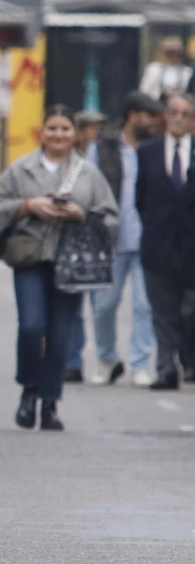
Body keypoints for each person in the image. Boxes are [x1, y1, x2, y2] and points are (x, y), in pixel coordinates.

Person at [0, 106, 119, 431]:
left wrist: (81, 214)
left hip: (72, 262)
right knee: (32, 326)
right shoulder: (21, 169)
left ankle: (50, 403)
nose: (58, 135)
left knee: (60, 335)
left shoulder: (88, 173)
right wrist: (28, 206)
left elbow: (112, 218)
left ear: (75, 134)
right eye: (52, 128)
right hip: (31, 258)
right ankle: (29, 390)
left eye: (65, 129)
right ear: (41, 132)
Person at [85, 94, 163, 387]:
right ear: (133, 115)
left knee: (145, 306)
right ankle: (106, 359)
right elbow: (89, 186)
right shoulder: (102, 146)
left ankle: (140, 363)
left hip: (148, 239)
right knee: (104, 304)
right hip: (111, 240)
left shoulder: (155, 147)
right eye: (150, 117)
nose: (155, 123)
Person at [136, 91, 195, 390]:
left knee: (189, 309)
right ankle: (165, 367)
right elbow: (140, 197)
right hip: (158, 246)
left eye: (185, 113)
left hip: (192, 250)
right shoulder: (147, 152)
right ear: (165, 115)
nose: (178, 118)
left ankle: (189, 357)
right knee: (162, 312)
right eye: (173, 112)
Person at [60, 109, 108, 382]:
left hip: (97, 231)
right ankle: (72, 360)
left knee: (101, 302)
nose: (95, 133)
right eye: (90, 128)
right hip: (72, 233)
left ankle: (105, 358)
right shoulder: (69, 158)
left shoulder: (106, 152)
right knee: (73, 301)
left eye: (98, 128)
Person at [139, 36, 192, 100]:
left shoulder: (187, 72)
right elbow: (144, 91)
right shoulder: (153, 69)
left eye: (176, 53)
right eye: (170, 53)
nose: (173, 56)